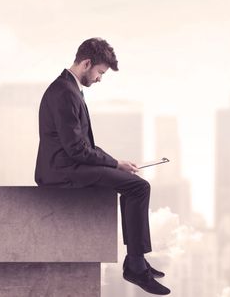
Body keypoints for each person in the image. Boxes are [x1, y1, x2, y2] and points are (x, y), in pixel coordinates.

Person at [34, 37, 170, 295]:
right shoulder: (64, 92)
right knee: (138, 188)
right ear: (86, 63)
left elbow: (80, 145)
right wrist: (115, 164)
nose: (99, 79)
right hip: (61, 171)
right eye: (100, 72)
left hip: (68, 165)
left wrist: (117, 164)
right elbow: (76, 149)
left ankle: (137, 261)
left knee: (134, 186)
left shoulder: (68, 88)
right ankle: (136, 266)